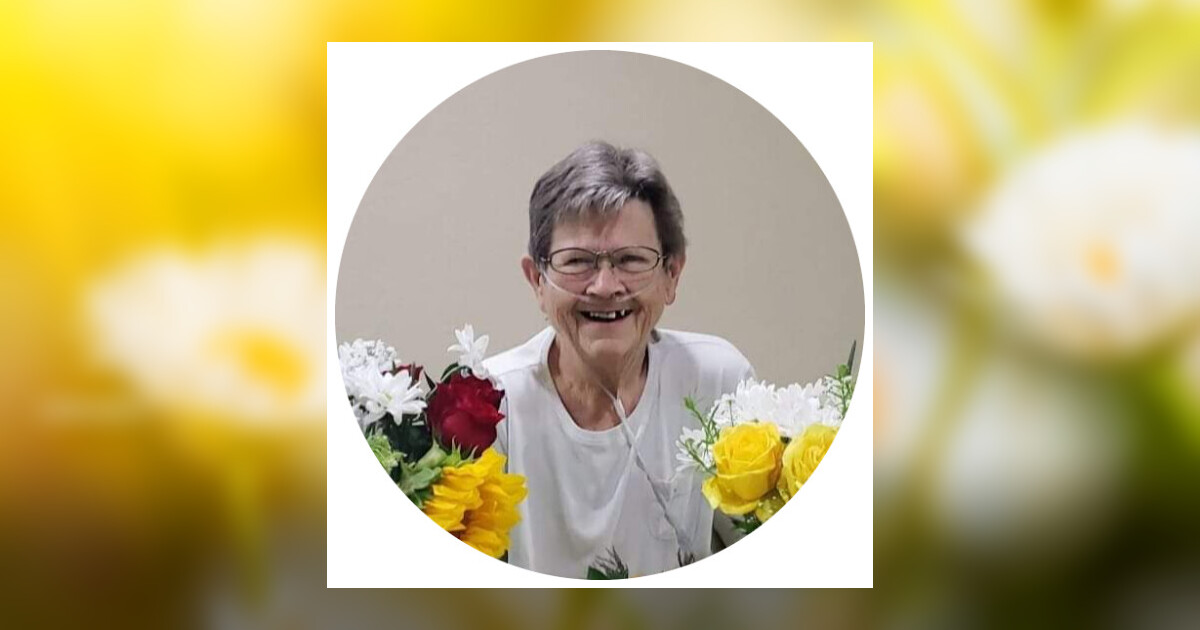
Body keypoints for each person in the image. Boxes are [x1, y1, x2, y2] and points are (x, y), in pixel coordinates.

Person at [483, 141, 755, 578]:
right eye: (577, 262)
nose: (606, 286)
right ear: (537, 281)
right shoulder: (489, 402)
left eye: (631, 260)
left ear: (672, 275)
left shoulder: (717, 381)